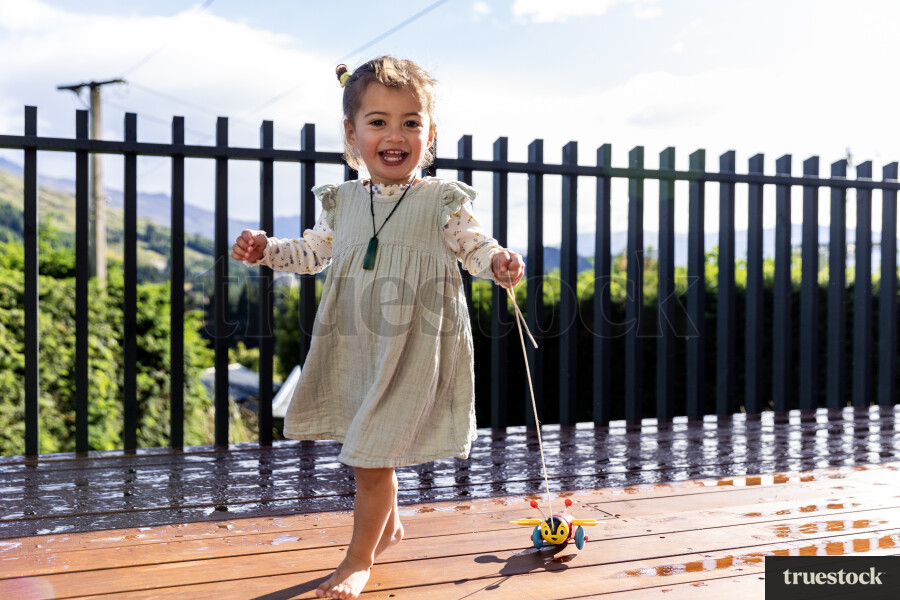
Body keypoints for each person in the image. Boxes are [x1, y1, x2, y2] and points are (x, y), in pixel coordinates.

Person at [232, 56, 524, 600]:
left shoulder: (442, 201)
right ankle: (386, 527)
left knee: (369, 455)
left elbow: (475, 249)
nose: (395, 135)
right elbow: (312, 253)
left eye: (411, 122)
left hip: (417, 347)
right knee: (369, 445)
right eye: (378, 122)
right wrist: (267, 250)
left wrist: (500, 262)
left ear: (429, 134)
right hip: (359, 343)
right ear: (352, 133)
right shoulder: (340, 202)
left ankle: (357, 560)